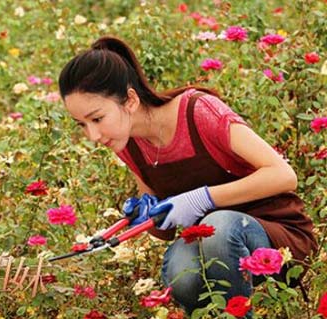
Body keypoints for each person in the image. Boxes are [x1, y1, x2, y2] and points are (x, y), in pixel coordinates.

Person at [58, 36, 317, 316]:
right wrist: (146, 213)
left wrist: (202, 199)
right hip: (216, 246)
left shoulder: (198, 111)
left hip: (279, 236)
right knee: (181, 267)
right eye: (82, 125)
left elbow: (283, 175)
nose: (93, 136)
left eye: (97, 119)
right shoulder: (126, 142)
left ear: (130, 100)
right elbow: (165, 231)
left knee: (219, 226)